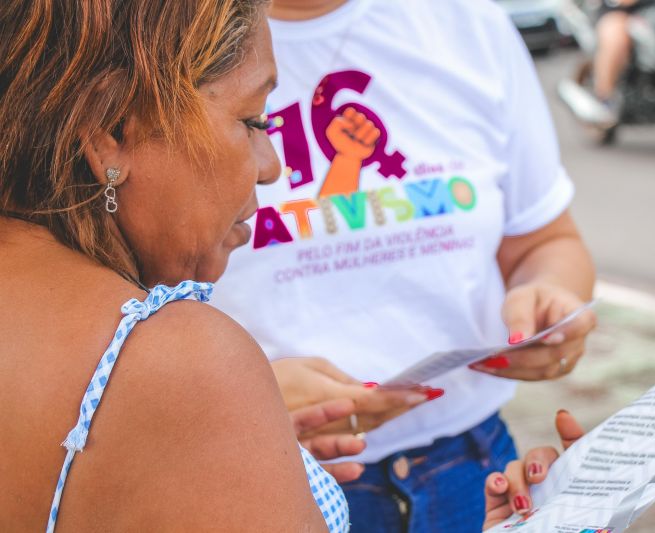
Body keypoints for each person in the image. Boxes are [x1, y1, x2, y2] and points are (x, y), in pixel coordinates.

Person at [0, 0, 585, 531]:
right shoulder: (185, 362)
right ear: (111, 133)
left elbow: (545, 237)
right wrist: (234, 407)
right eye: (255, 122)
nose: (272, 166)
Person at [212, 0, 597, 531]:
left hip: (476, 468)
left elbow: (547, 239)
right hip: (266, 484)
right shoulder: (167, 38)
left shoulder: (467, 23)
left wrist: (549, 297)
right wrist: (236, 402)